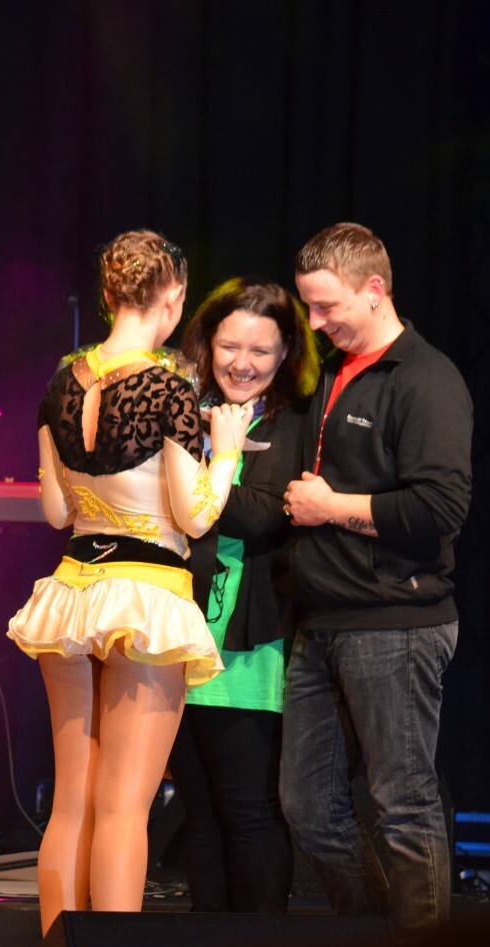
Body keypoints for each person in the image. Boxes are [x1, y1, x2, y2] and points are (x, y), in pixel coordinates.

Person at [7, 229, 251, 934]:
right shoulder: (168, 387)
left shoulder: (61, 382)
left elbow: (56, 511)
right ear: (172, 297)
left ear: (109, 294)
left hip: (73, 589)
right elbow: (196, 516)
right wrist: (226, 452)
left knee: (71, 806)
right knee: (122, 808)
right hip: (146, 594)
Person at [281, 222, 472, 936]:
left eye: (325, 306)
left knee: (404, 803)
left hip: (395, 621)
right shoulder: (336, 373)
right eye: (308, 306)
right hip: (322, 624)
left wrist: (332, 508)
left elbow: (441, 507)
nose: (314, 323)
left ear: (374, 289)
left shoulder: (425, 379)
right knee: (307, 808)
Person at [170, 277, 320, 913]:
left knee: (248, 809)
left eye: (260, 351)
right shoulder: (183, 410)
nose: (241, 364)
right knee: (198, 811)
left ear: (286, 353)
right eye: (229, 346)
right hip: (174, 636)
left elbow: (260, 515)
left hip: (246, 645)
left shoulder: (294, 421)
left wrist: (207, 470)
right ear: (207, 342)